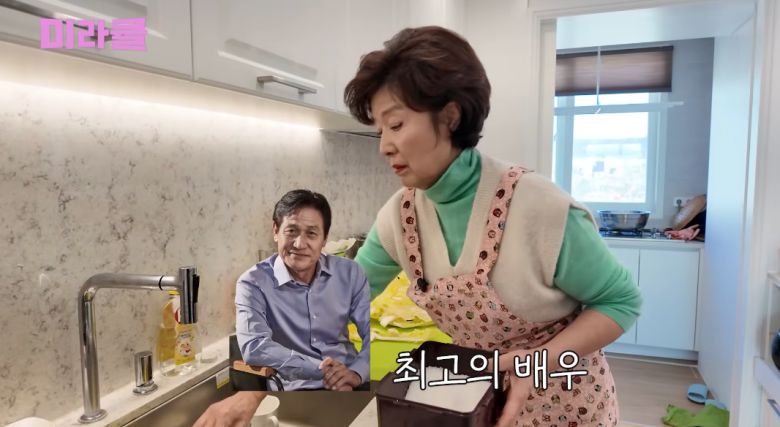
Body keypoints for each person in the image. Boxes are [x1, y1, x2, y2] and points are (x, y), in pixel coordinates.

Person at [345, 27, 642, 427]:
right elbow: (343, 296)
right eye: (379, 131)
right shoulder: (400, 217)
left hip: (568, 403)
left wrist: (535, 364)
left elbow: (621, 302)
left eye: (395, 125)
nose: (384, 145)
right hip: (479, 402)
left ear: (450, 117)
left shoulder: (539, 207)